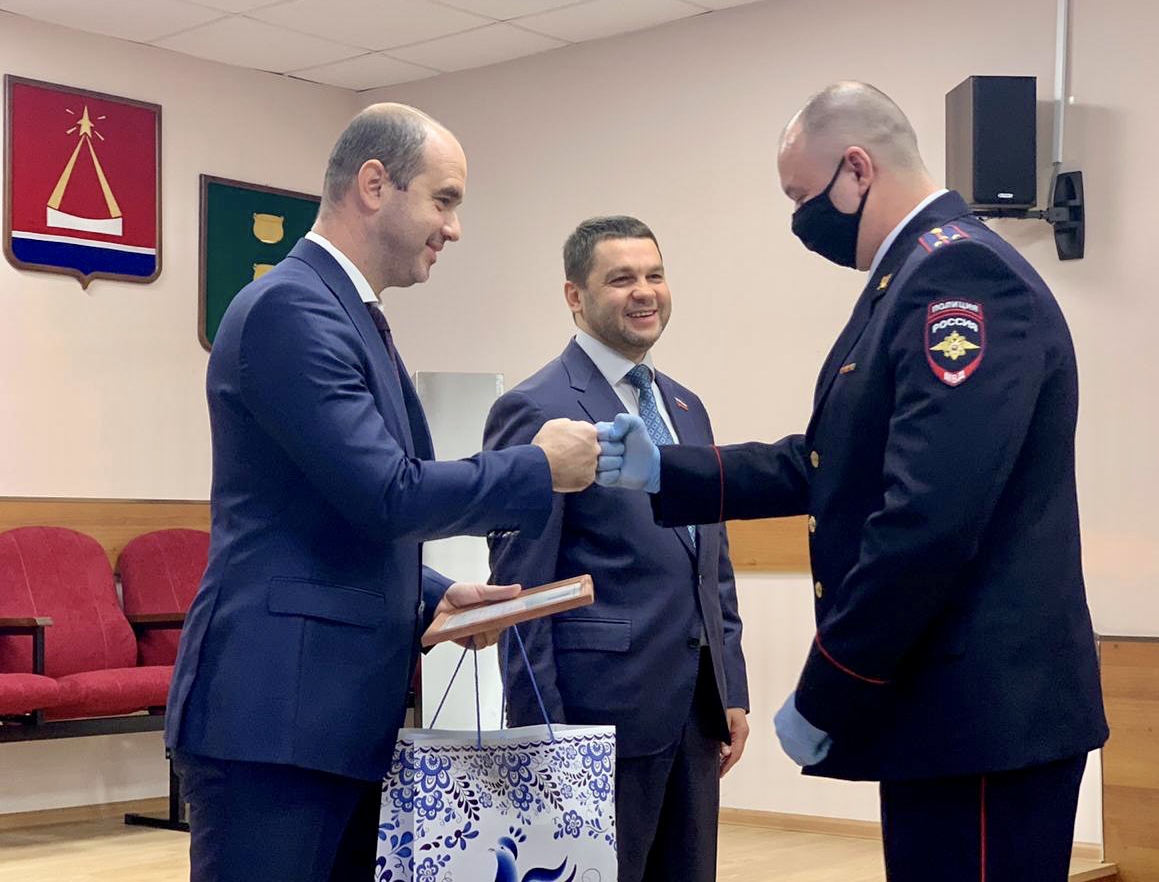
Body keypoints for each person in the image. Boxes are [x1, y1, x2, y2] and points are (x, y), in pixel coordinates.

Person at [597, 82, 1108, 881]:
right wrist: (668, 469)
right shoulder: (910, 276)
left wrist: (831, 684)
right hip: (949, 715)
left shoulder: (959, 278)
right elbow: (828, 460)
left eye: (801, 197)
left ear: (858, 169)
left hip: (982, 713)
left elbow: (929, 518)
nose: (800, 221)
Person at [166, 103, 600, 882]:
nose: (454, 228)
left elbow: (331, 520)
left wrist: (433, 596)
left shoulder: (347, 311)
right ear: (374, 185)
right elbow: (387, 495)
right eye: (444, 200)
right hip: (276, 719)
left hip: (328, 719)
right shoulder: (292, 307)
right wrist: (534, 467)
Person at [484, 216, 749, 882]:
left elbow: (711, 563)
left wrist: (731, 687)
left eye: (655, 275)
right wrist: (538, 733)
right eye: (621, 278)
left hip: (694, 715)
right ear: (575, 296)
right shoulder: (536, 408)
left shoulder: (686, 407)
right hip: (594, 718)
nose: (644, 292)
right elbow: (521, 592)